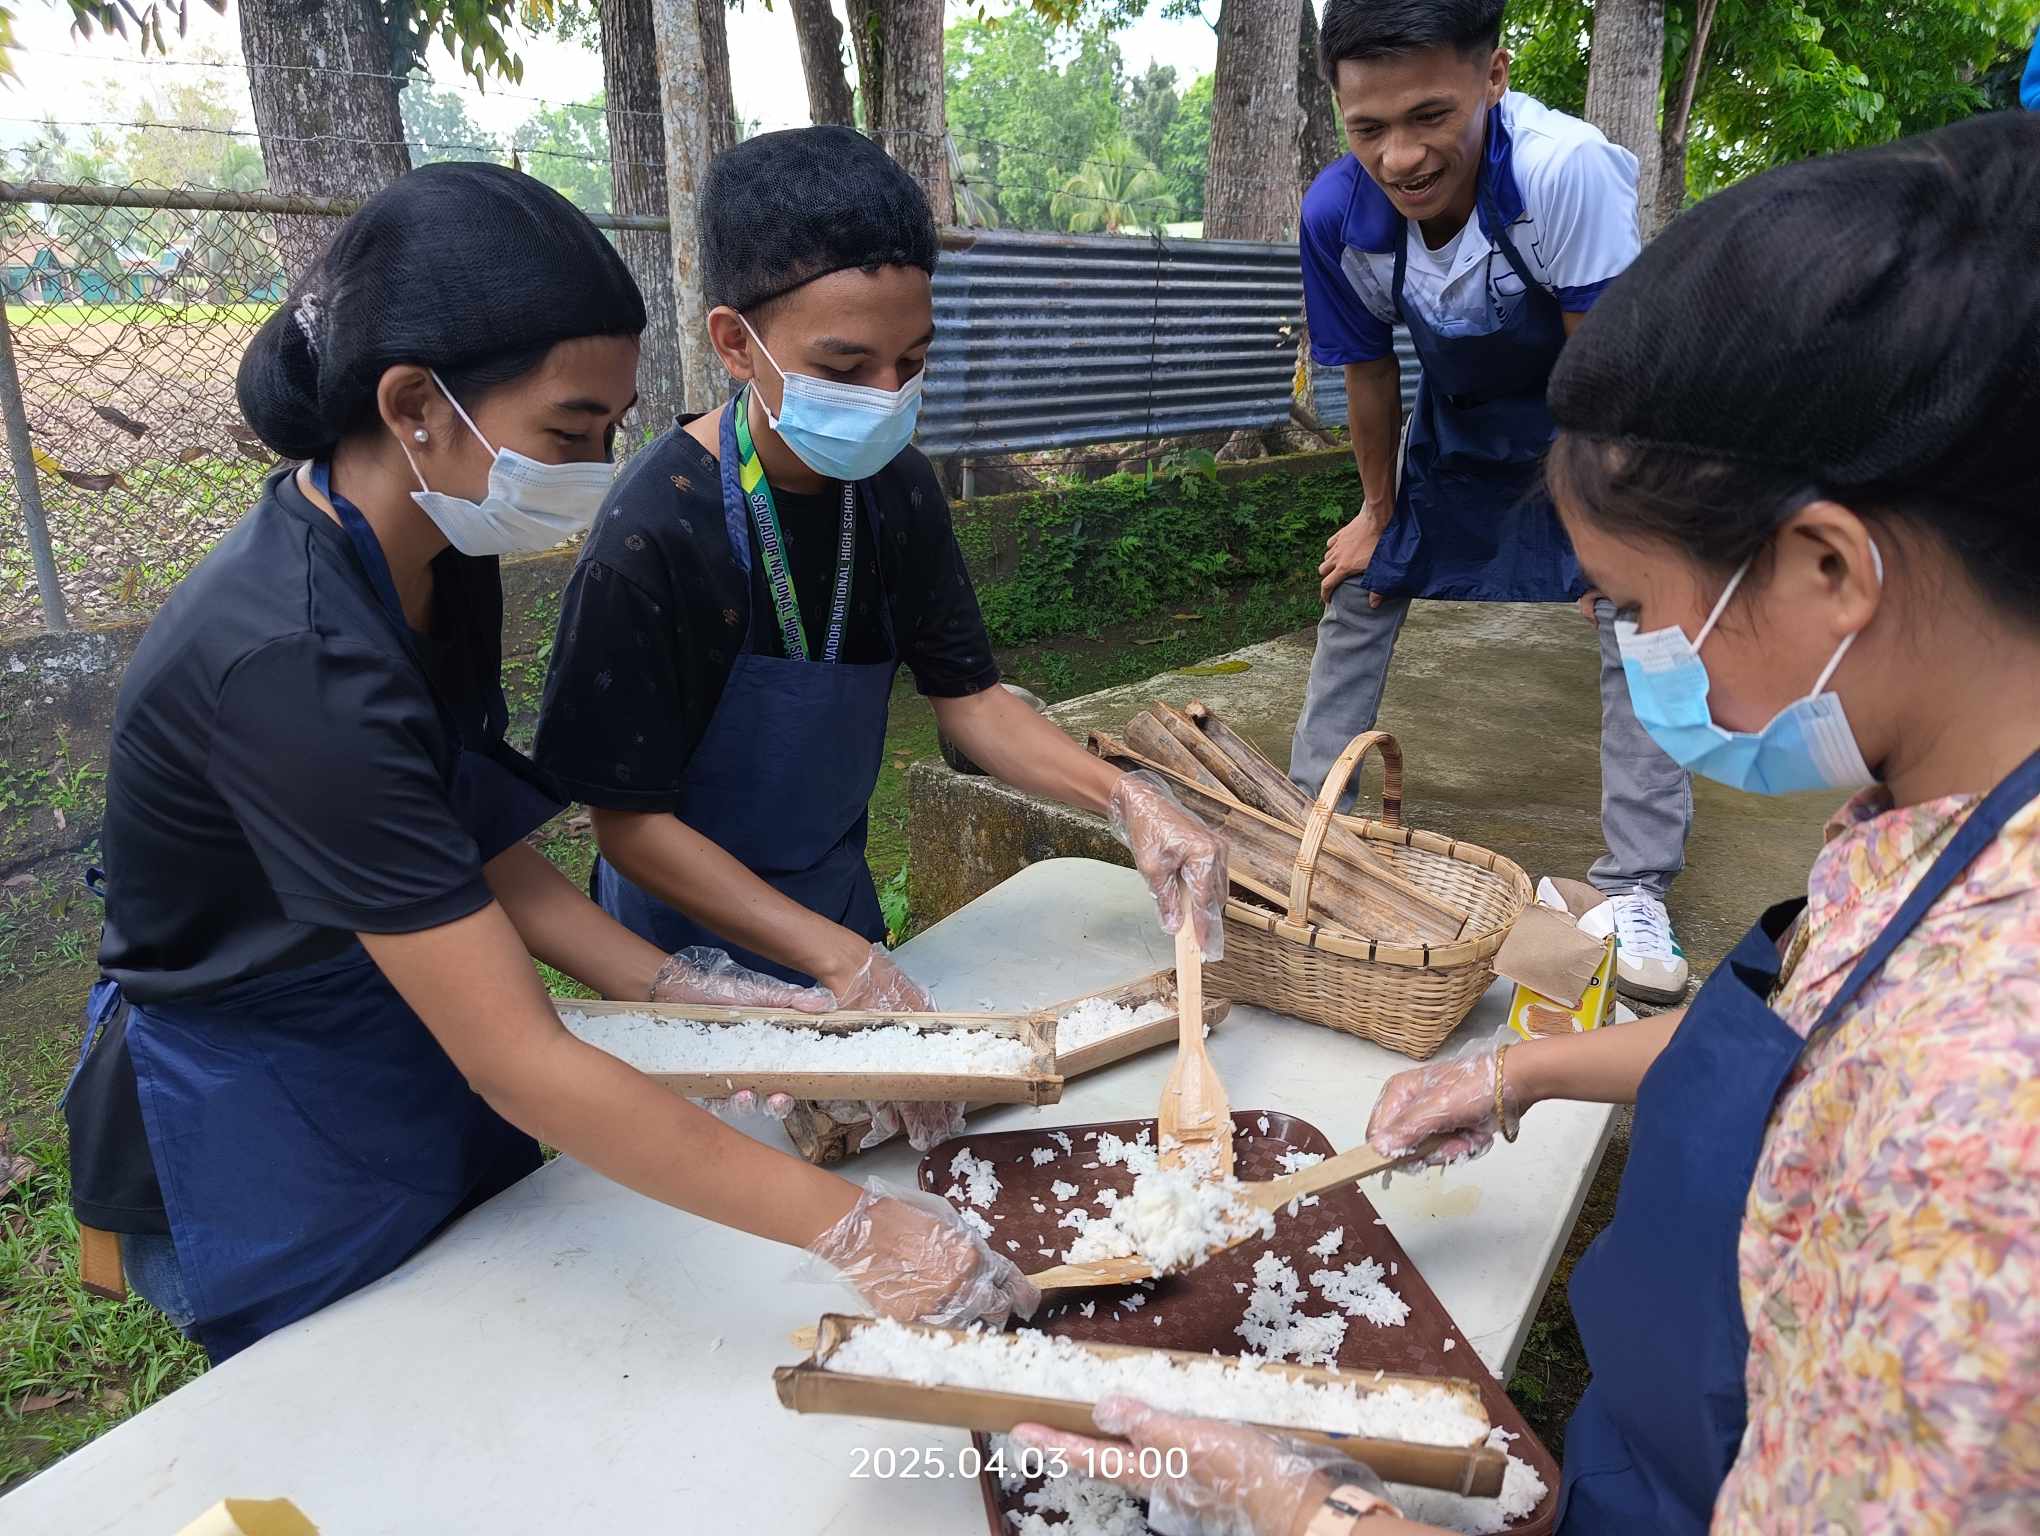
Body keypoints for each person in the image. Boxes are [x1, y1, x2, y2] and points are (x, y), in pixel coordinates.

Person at [1017, 110, 2040, 1534]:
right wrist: (1522, 1080)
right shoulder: (1939, 805)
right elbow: (1816, 1030)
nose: (1629, 651)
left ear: (1825, 567)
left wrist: (1308, 1509)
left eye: (1633, 609)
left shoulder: (1984, 1139)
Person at [62, 163, 1037, 1363]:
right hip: (261, 1095)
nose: (597, 466)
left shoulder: (427, 552)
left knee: (508, 1316)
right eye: (570, 433)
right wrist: (856, 1227)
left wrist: (682, 986)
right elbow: (520, 1056)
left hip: (406, 1017)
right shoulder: (291, 663)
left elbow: (463, 837)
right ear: (417, 405)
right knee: (380, 1401)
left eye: (612, 428)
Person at [531, 126, 1226, 1136]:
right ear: (737, 343)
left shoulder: (894, 486)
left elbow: (973, 702)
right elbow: (627, 825)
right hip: (692, 961)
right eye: (845, 365)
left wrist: (1129, 800)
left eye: (910, 362)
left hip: (837, 903)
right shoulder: (654, 528)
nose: (885, 397)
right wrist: (833, 961)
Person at [1291, 0, 1691, 1004]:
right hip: (1463, 420)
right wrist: (1379, 512)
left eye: (1430, 115)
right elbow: (1370, 374)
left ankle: (1635, 882)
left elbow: (1612, 375)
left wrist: (1615, 534)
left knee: (1642, 614)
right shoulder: (1338, 217)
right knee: (1365, 584)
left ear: (1494, 76)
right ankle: (1301, 831)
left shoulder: (1566, 172)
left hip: (1596, 417)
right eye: (1368, 127)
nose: (1402, 156)